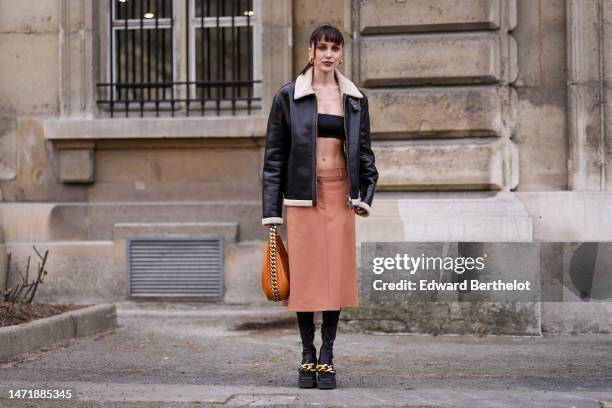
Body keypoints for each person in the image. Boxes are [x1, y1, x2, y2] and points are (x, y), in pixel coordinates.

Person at [261, 23, 379, 390]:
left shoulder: (355, 100)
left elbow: (364, 153)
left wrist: (365, 195)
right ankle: (306, 355)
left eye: (335, 48)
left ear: (341, 53)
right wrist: (272, 211)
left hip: (341, 195)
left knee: (336, 277)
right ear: (311, 51)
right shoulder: (288, 97)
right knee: (308, 279)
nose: (329, 54)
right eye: (322, 47)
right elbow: (274, 157)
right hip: (301, 198)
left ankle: (327, 356)